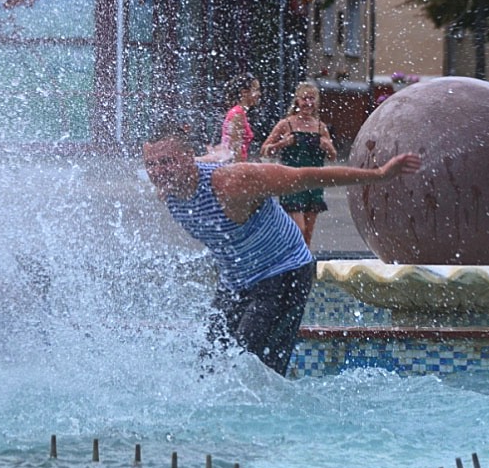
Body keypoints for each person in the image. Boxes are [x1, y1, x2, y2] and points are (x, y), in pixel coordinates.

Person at [142, 124, 421, 377]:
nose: (158, 171)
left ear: (187, 157)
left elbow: (306, 176)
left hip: (283, 272)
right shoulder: (169, 189)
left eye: (166, 161)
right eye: (151, 164)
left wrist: (379, 174)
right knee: (209, 363)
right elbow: (184, 167)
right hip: (235, 282)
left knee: (252, 366)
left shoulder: (233, 183)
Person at [261, 81, 338, 246]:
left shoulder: (320, 127)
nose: (308, 103)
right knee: (299, 230)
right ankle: (291, 264)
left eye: (312, 99)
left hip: (314, 182)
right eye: (304, 99)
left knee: (308, 234)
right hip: (292, 182)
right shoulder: (286, 124)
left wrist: (328, 147)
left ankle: (304, 267)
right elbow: (265, 150)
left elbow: (333, 157)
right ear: (297, 101)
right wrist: (282, 144)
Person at [213, 73, 261, 162]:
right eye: (256, 90)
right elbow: (235, 148)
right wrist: (240, 170)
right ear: (244, 92)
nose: (259, 94)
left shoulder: (238, 112)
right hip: (236, 167)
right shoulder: (237, 113)